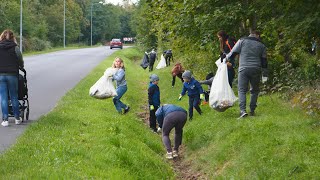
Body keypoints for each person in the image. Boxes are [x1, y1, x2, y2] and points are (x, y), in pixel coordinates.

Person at [226, 30, 267, 118]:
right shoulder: (262, 45)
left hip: (243, 69)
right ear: (257, 36)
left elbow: (233, 53)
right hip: (256, 69)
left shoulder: (242, 40)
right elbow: (264, 61)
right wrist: (265, 75)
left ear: (250, 34)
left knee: (242, 90)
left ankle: (243, 111)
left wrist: (225, 59)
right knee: (254, 90)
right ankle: (252, 110)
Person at [0, 29, 24, 127]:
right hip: (12, 75)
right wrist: (21, 67)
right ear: (13, 37)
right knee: (14, 96)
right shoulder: (15, 48)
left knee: (4, 97)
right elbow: (20, 59)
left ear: (1, 37)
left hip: (1, 75)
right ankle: (17, 119)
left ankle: (5, 120)